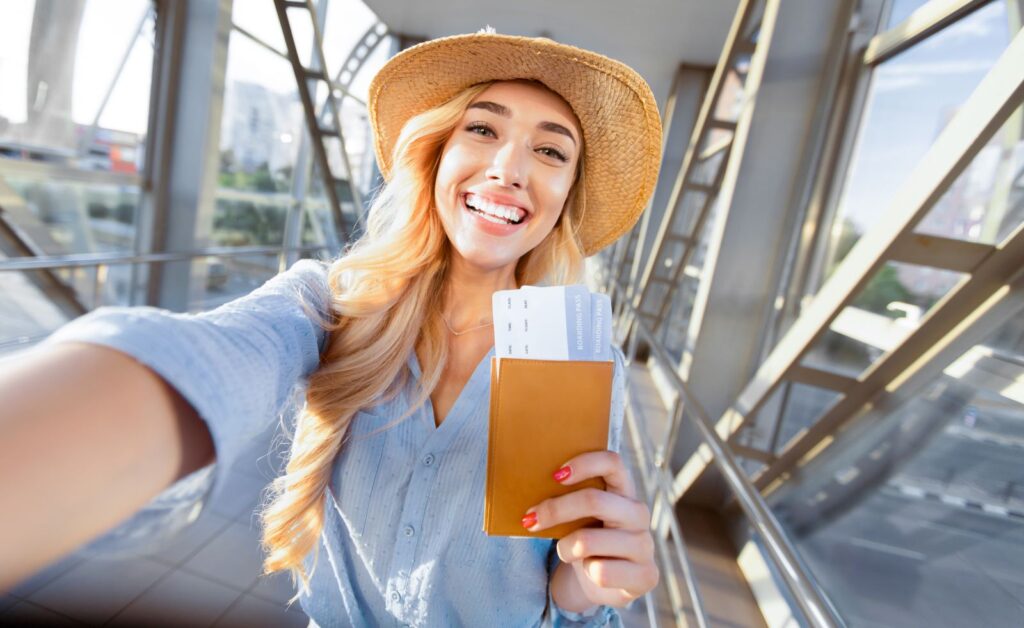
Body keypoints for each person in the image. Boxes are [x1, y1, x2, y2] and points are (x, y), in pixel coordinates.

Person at [0, 31, 663, 627]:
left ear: (565, 196)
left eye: (550, 150)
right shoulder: (331, 305)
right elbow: (213, 356)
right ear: (435, 154)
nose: (509, 170)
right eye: (483, 130)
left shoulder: (579, 358)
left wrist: (582, 587)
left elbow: (564, 587)